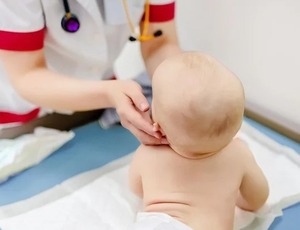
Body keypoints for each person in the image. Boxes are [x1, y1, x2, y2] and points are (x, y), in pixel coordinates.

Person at [0, 0, 181, 143]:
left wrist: (181, 95)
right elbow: (27, 75)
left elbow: (159, 42)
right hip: (23, 116)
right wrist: (109, 93)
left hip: (98, 104)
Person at [128, 52, 269, 230]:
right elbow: (257, 200)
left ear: (158, 127)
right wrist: (231, 196)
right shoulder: (239, 154)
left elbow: (136, 189)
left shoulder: (148, 152)